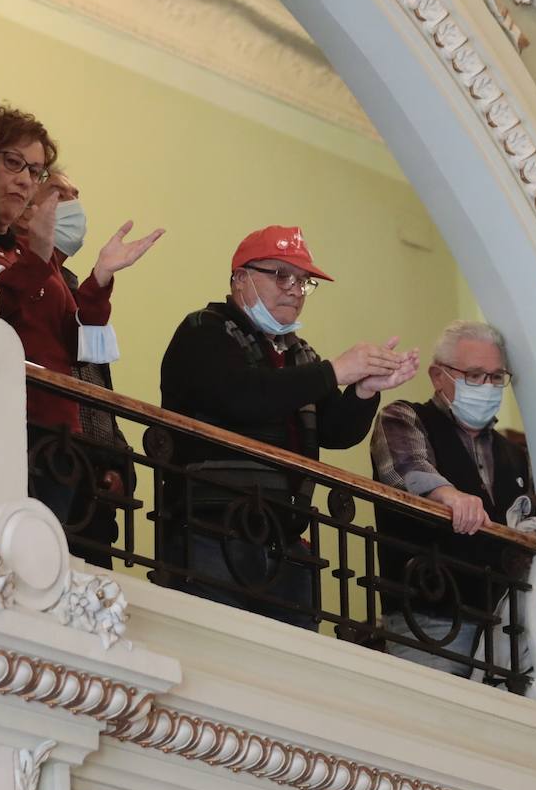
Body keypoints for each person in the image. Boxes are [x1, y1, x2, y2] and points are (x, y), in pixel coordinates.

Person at [159, 225, 418, 629]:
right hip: (211, 528)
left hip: (284, 538)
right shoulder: (203, 330)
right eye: (281, 275)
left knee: (291, 676)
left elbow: (335, 432)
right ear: (241, 279)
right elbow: (241, 397)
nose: (295, 289)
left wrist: (364, 390)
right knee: (218, 658)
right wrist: (334, 370)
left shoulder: (299, 353)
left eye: (302, 280)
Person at [0, 106, 163, 565]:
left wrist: (101, 278)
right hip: (19, 431)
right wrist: (40, 253)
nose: (26, 180)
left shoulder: (47, 269)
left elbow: (84, 348)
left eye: (36, 170)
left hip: (67, 440)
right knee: (22, 570)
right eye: (58, 193)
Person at [369, 319, 534, 677]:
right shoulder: (404, 418)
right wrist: (449, 496)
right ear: (437, 375)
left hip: (503, 626)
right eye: (474, 375)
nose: (487, 386)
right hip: (429, 621)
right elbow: (406, 468)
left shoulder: (514, 453)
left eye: (495, 377)